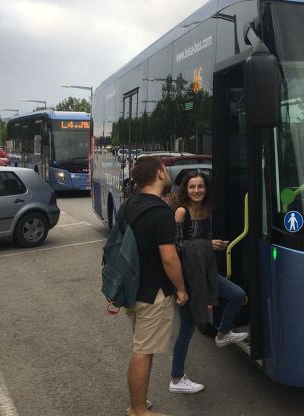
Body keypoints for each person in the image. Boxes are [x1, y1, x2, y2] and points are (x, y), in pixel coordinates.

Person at [169, 171, 249, 394]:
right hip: (188, 277)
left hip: (206, 272)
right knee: (187, 328)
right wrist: (207, 245)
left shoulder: (206, 210)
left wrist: (214, 246)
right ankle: (176, 378)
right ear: (186, 189)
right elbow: (175, 246)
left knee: (238, 296)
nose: (196, 191)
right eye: (192, 187)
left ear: (206, 189)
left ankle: (222, 335)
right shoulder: (181, 212)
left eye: (200, 187)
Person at [124, 156, 188, 416]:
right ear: (161, 173)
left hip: (131, 290)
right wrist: (181, 289)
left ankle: (138, 404)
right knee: (143, 352)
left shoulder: (129, 206)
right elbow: (169, 258)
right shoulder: (161, 213)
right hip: (153, 294)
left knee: (141, 348)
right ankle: (138, 409)